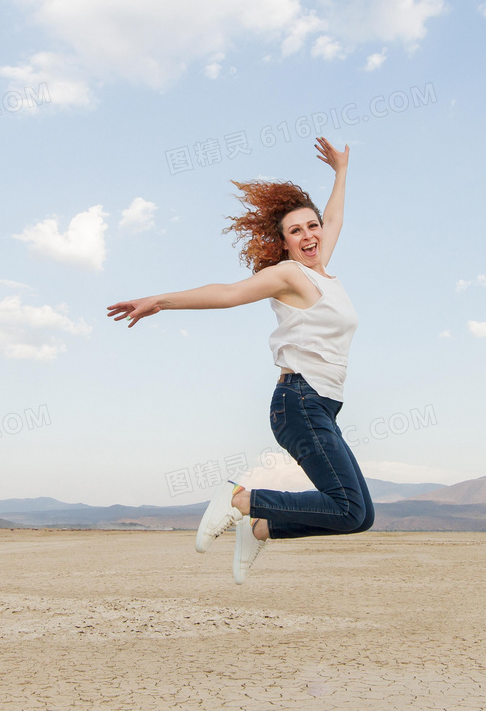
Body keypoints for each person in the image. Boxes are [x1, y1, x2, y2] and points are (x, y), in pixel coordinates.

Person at [106, 137, 373, 584]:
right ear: (284, 243)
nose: (309, 235)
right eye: (296, 231)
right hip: (299, 402)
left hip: (322, 408)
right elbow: (228, 294)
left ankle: (262, 526)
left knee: (358, 515)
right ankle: (238, 500)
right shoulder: (290, 275)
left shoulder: (321, 271)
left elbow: (338, 217)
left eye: (313, 226)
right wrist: (161, 301)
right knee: (345, 504)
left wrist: (341, 171)